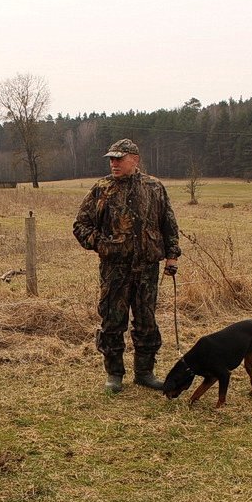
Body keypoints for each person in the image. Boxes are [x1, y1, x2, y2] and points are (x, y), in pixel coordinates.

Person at [73, 138, 181, 392]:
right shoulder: (102, 189)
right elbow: (80, 226)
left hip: (147, 269)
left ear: (135, 160)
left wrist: (172, 256)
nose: (114, 163)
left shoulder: (154, 188)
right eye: (111, 159)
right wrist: (102, 244)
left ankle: (145, 373)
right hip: (114, 270)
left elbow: (169, 224)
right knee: (112, 321)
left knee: (146, 321)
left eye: (119, 159)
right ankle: (114, 375)